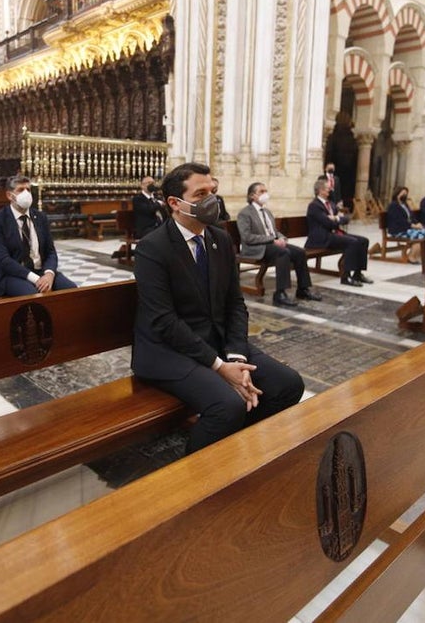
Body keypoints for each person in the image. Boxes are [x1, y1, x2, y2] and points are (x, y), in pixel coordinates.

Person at [131, 162, 304, 453]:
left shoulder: (220, 239)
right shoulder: (153, 248)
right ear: (175, 203)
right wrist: (220, 366)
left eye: (214, 191)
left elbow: (235, 303)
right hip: (167, 351)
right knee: (227, 406)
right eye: (201, 194)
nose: (212, 200)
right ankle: (195, 478)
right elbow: (164, 321)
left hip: (219, 343)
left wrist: (235, 356)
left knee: (289, 384)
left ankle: (235, 450)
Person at [0, 175, 78, 296]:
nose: (26, 193)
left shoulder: (40, 217)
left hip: (41, 272)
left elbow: (50, 251)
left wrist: (49, 273)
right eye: (20, 190)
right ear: (9, 195)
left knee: (72, 290)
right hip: (10, 275)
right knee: (33, 295)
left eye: (28, 190)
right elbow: (3, 259)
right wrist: (35, 279)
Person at [237, 182, 320, 307]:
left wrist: (281, 238)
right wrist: (271, 240)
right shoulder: (245, 213)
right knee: (283, 253)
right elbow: (247, 237)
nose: (265, 194)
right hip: (256, 248)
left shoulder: (267, 212)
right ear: (252, 196)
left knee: (299, 252)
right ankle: (280, 293)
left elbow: (274, 232)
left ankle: (303, 289)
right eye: (261, 191)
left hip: (271, 245)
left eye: (266, 191)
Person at [306, 177, 372, 287]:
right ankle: (345, 276)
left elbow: (346, 219)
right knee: (352, 242)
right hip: (321, 237)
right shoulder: (314, 206)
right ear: (320, 190)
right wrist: (336, 219)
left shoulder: (331, 204)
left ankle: (357, 273)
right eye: (327, 188)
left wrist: (335, 218)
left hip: (333, 233)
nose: (330, 190)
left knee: (363, 241)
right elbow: (327, 223)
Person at [385, 185, 425, 263]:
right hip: (398, 230)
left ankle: (416, 255)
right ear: (397, 194)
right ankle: (411, 256)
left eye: (406, 193)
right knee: (420, 235)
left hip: (407, 228)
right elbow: (399, 221)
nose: (404, 195)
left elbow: (411, 217)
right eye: (403, 193)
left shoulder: (405, 205)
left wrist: (418, 223)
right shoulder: (393, 206)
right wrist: (413, 226)